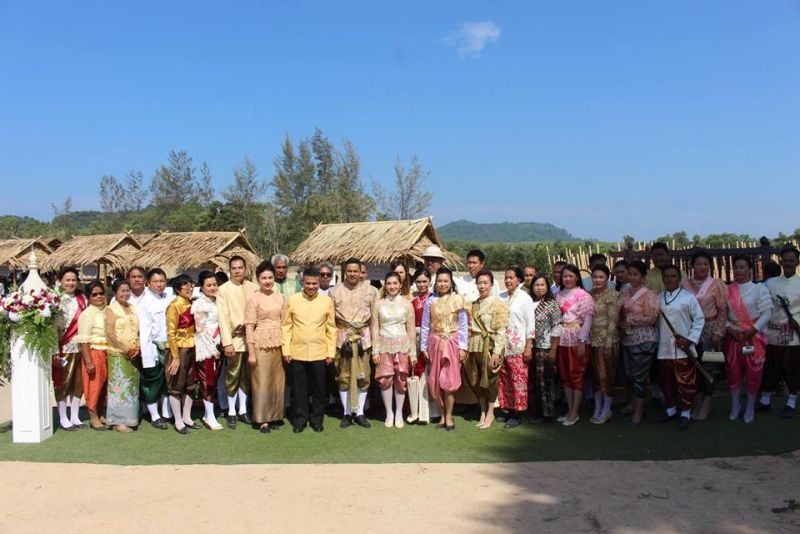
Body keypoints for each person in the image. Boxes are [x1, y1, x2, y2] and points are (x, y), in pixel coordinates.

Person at [281, 267, 337, 433]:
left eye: (314, 283)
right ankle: (300, 419)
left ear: (319, 283)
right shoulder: (293, 300)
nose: (311, 287)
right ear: (302, 282)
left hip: (320, 351)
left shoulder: (326, 302)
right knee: (299, 388)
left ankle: (317, 419)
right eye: (308, 283)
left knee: (320, 388)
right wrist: (286, 350)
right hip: (297, 351)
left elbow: (331, 328)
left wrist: (331, 352)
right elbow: (286, 326)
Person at [656, 265, 705, 429]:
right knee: (666, 381)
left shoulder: (688, 297)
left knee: (686, 382)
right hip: (664, 348)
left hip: (683, 348)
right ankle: (670, 409)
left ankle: (685, 412)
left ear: (679, 278)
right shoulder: (658, 298)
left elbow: (699, 319)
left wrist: (690, 339)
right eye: (666, 276)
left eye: (673, 276)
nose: (669, 279)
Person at [725, 255, 772, 423]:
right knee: (733, 371)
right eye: (736, 267)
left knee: (754, 372)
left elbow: (767, 312)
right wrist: (729, 329)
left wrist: (753, 330)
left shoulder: (759, 289)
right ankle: (735, 405)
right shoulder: (727, 290)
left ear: (749, 270)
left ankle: (751, 405)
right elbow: (722, 314)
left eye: (742, 267)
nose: (738, 270)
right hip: (734, 336)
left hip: (754, 337)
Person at [330, 258, 376, 428]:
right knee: (343, 377)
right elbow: (331, 320)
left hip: (364, 339)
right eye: (349, 271)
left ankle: (360, 412)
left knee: (363, 377)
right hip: (342, 340)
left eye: (355, 271)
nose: (352, 274)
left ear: (361, 272)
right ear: (344, 271)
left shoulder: (371, 291)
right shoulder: (334, 291)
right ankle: (347, 413)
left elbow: (374, 320)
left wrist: (375, 344)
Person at [681, 249, 727, 420]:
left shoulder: (717, 284)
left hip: (710, 329)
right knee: (693, 366)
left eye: (706, 264)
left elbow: (722, 310)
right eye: (699, 264)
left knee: (709, 367)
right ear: (692, 266)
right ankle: (697, 401)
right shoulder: (684, 285)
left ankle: (707, 403)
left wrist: (718, 332)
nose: (702, 267)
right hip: (690, 330)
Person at [420, 267, 468, 431]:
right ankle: (441, 414)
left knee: (449, 381)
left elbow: (463, 326)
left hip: (452, 343)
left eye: (445, 281)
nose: (442, 284)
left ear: (451, 282)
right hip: (434, 343)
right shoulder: (430, 301)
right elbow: (425, 325)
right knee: (434, 382)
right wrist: (424, 347)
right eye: (439, 281)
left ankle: (449, 416)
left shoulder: (458, 300)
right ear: (436, 283)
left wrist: (463, 347)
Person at [217, 255, 258, 428]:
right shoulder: (223, 289)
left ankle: (243, 410)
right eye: (234, 268)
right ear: (229, 270)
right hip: (234, 339)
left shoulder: (254, 288)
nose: (237, 271)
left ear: (245, 269)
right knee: (232, 375)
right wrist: (227, 342)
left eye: (240, 267)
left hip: (252, 339)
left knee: (246, 377)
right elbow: (222, 318)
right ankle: (231, 411)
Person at [371, 271, 416, 428]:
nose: (392, 286)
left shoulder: (406, 304)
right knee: (385, 380)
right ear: (384, 284)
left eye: (395, 283)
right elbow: (375, 328)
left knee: (400, 380)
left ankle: (399, 413)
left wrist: (413, 353)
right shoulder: (378, 304)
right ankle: (389, 412)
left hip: (402, 345)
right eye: (389, 283)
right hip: (383, 345)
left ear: (400, 284)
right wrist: (375, 351)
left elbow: (410, 329)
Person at [245, 261, 286, 433]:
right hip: (260, 342)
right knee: (261, 382)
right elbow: (249, 325)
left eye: (270, 277)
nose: (268, 281)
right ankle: (262, 419)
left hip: (279, 343)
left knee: (277, 382)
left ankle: (276, 415)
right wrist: (251, 352)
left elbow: (285, 321)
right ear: (257, 279)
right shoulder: (253, 299)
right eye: (264, 278)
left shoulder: (280, 297)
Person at [465, 270, 509, 429]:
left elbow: (501, 329)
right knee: (476, 380)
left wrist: (497, 351)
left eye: (485, 283)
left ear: (491, 285)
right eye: (479, 283)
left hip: (489, 347)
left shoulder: (498, 304)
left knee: (491, 380)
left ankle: (491, 412)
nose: (482, 286)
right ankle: (482, 411)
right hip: (474, 345)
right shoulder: (473, 304)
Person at [761, 245, 800, 418]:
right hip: (772, 332)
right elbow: (763, 306)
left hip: (793, 333)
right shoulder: (771, 283)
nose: (789, 263)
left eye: (792, 260)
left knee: (791, 368)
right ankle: (765, 401)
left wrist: (796, 322)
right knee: (771, 368)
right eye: (786, 260)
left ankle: (791, 402)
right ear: (781, 262)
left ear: (797, 262)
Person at [620, 261, 660, 426]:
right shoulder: (625, 291)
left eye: (635, 274)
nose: (632, 277)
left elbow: (651, 317)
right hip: (628, 339)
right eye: (630, 274)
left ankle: (639, 413)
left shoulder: (649, 294)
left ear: (642, 276)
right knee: (629, 375)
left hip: (644, 339)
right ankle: (635, 405)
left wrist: (629, 320)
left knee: (639, 377)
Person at [555, 264, 595, 426]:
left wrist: (582, 341)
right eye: (565, 276)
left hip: (577, 338)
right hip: (562, 338)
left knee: (577, 375)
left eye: (571, 276)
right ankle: (570, 410)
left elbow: (587, 321)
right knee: (565, 375)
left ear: (577, 277)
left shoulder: (583, 296)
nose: (568, 279)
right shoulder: (558, 295)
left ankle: (575, 411)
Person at [497, 267, 535, 429]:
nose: (508, 281)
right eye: (506, 278)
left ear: (519, 280)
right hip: (501, 346)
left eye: (511, 278)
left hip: (518, 346)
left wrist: (528, 346)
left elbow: (530, 324)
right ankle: (508, 410)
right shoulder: (500, 296)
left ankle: (517, 414)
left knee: (517, 380)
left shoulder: (525, 298)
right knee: (504, 380)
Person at [137, 268, 173, 429]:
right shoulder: (144, 302)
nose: (159, 285)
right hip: (153, 348)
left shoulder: (169, 297)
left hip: (169, 346)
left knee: (167, 382)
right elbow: (145, 331)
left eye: (162, 281)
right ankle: (154, 415)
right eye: (156, 281)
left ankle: (166, 412)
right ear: (148, 283)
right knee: (153, 382)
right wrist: (148, 355)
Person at [52, 267, 87, 431]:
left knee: (78, 384)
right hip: (63, 348)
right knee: (63, 384)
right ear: (60, 281)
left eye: (74, 280)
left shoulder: (83, 299)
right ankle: (63, 417)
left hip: (81, 348)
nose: (71, 283)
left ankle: (75, 415)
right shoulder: (54, 300)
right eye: (68, 280)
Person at [104, 279, 140, 433]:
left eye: (127, 290)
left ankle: (131, 418)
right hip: (118, 353)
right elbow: (111, 333)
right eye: (122, 291)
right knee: (119, 387)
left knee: (131, 387)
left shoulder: (132, 307)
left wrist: (137, 346)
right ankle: (118, 422)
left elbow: (137, 329)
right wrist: (127, 349)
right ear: (115, 292)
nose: (125, 293)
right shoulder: (110, 309)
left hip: (134, 352)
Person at [588, 265, 623, 424]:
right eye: (595, 277)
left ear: (607, 278)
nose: (598, 280)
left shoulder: (612, 295)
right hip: (592, 340)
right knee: (595, 376)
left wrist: (608, 344)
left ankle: (607, 409)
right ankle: (598, 407)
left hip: (607, 340)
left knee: (606, 375)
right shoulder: (589, 295)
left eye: (601, 277)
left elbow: (613, 321)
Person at [165, 275, 199, 434]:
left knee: (190, 385)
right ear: (178, 289)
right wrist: (176, 357)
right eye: (186, 287)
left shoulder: (193, 303)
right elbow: (171, 333)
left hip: (192, 348)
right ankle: (178, 420)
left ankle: (187, 417)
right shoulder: (174, 306)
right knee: (176, 386)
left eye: (191, 285)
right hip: (178, 349)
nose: (190, 289)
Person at [191, 270, 223, 430]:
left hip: (219, 344)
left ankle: (207, 414)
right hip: (206, 346)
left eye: (214, 284)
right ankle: (210, 416)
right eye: (208, 285)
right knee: (207, 381)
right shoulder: (200, 304)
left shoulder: (218, 301)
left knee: (214, 379)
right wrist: (212, 348)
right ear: (201, 287)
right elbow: (200, 329)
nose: (212, 288)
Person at [528, 274, 562, 423]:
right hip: (530, 346)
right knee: (532, 380)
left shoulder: (552, 304)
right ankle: (534, 411)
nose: (539, 288)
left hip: (545, 347)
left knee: (545, 380)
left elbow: (556, 327)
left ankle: (547, 412)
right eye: (536, 285)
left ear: (547, 287)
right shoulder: (528, 302)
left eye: (542, 285)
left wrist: (553, 350)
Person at [76, 281, 109, 430]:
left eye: (101, 293)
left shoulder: (107, 310)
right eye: (94, 294)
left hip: (108, 352)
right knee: (93, 386)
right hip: (94, 352)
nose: (99, 296)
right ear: (89, 297)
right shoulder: (86, 314)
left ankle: (101, 413)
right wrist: (89, 361)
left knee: (105, 387)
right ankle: (93, 417)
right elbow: (83, 340)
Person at [408, 269, 436, 424]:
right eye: (418, 281)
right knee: (418, 374)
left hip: (430, 339)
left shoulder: (433, 299)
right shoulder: (412, 302)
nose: (421, 284)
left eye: (424, 281)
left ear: (430, 282)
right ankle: (417, 411)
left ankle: (431, 412)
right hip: (415, 339)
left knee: (430, 374)